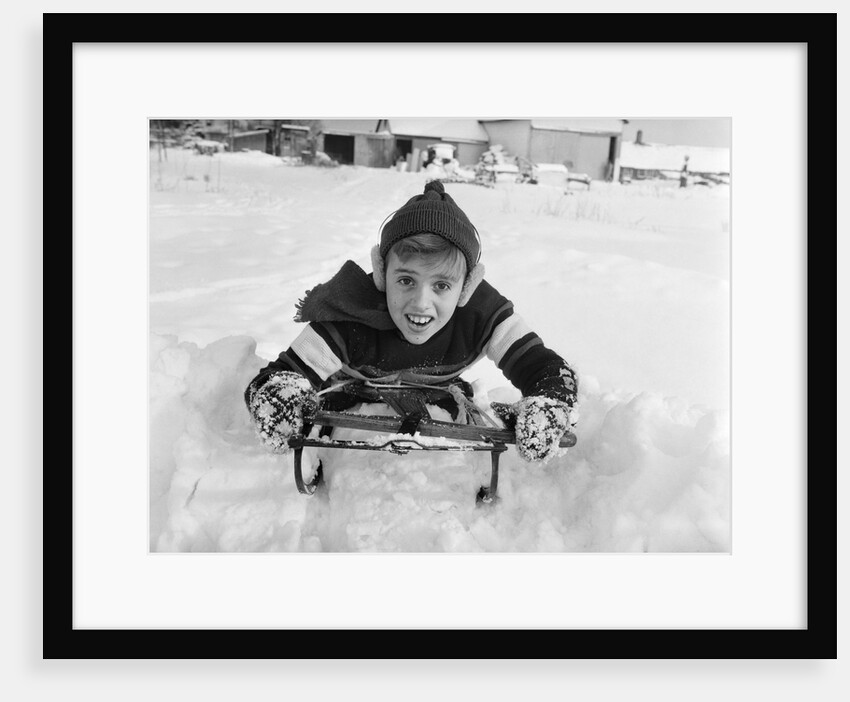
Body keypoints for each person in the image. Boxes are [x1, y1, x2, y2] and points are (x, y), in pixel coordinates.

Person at [244, 180, 578, 463]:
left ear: (467, 287)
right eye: (405, 280)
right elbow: (278, 377)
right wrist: (280, 397)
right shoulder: (350, 315)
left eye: (442, 286)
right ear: (381, 274)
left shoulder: (482, 315)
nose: (421, 303)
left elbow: (547, 369)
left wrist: (549, 404)